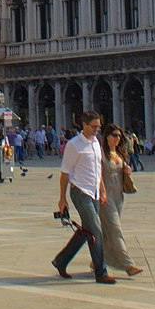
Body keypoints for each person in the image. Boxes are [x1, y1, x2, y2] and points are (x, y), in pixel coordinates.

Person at [52, 110, 116, 284]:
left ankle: (61, 260)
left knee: (86, 231)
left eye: (99, 127)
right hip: (80, 192)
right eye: (94, 126)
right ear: (84, 125)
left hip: (94, 192)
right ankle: (101, 272)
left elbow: (98, 170)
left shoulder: (96, 142)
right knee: (96, 231)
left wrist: (102, 190)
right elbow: (64, 173)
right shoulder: (74, 145)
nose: (97, 129)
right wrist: (62, 198)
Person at [99, 125, 142, 277]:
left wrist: (127, 170)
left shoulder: (119, 153)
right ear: (106, 137)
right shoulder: (101, 154)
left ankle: (98, 260)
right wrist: (102, 192)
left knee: (107, 232)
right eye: (114, 135)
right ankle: (128, 265)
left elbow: (123, 171)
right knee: (116, 230)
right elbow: (97, 175)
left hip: (118, 197)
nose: (117, 138)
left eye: (119, 136)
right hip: (104, 197)